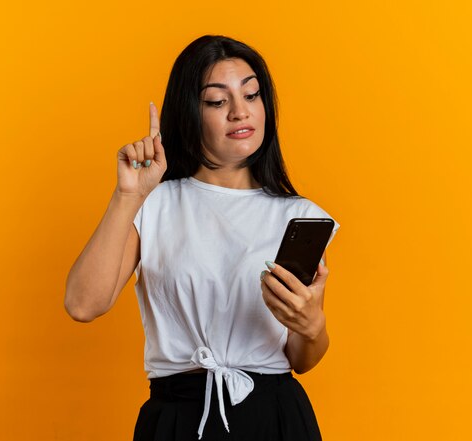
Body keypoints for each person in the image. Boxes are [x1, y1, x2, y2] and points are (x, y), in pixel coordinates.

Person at [64, 35, 340, 441]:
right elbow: (82, 304)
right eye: (217, 101)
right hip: (177, 418)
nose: (240, 112)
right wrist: (129, 195)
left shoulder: (298, 216)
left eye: (251, 94)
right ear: (189, 113)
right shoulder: (154, 203)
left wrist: (313, 326)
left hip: (274, 417)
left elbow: (301, 360)